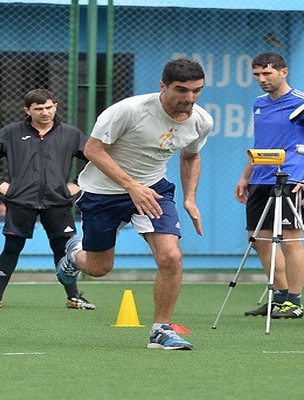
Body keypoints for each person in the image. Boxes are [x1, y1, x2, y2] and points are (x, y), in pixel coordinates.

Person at [55, 59, 213, 350]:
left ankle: (160, 330)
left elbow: (190, 156)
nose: (189, 98)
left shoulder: (201, 120)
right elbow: (92, 150)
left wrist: (190, 198)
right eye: (181, 90)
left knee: (171, 257)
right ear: (162, 86)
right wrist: (130, 186)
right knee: (100, 268)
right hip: (102, 192)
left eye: (197, 91)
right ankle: (74, 253)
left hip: (153, 191)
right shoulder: (128, 111)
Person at [0, 88, 94, 310]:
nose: (45, 112)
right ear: (27, 110)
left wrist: (78, 184)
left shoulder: (71, 134)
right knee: (12, 247)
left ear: (56, 106)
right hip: (20, 201)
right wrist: (0, 184)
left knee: (64, 249)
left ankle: (74, 297)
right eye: (38, 109)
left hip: (58, 201)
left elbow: (95, 160)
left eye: (49, 107)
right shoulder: (11, 132)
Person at [234, 52, 304, 319]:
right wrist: (245, 176)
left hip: (291, 179)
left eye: (267, 73)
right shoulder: (259, 103)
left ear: (284, 72)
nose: (262, 79)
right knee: (259, 239)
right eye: (257, 75)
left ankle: (295, 301)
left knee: (290, 239)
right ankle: (279, 297)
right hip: (260, 178)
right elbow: (261, 142)